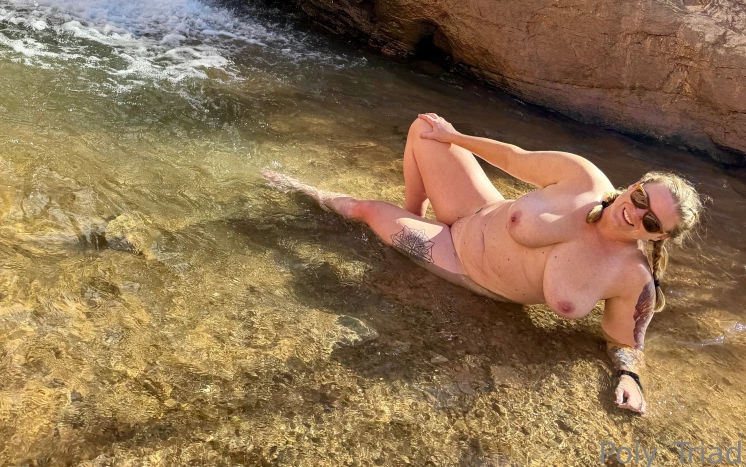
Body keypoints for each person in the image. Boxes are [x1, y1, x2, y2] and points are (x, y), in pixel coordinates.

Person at [264, 111, 703, 415]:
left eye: (650, 219)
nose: (636, 211)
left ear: (658, 236)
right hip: (476, 209)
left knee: (366, 211)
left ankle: (307, 191)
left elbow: (624, 341)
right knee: (425, 127)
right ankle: (412, 209)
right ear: (636, 184)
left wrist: (630, 379)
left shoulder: (631, 277)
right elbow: (513, 158)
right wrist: (451, 136)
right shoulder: (582, 177)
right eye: (642, 197)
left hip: (463, 262)